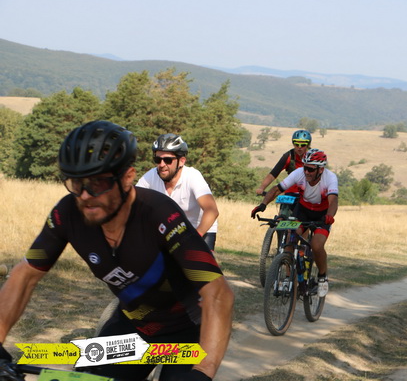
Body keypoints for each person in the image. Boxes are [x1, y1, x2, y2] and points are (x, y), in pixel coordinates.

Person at [0, 121, 233, 381]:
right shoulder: (68, 213)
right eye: (76, 183)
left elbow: (218, 293)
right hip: (134, 327)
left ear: (127, 177)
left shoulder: (159, 213)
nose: (85, 195)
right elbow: (25, 275)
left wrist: (204, 370)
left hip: (188, 332)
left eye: (98, 182)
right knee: (86, 378)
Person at [251, 148, 338, 297]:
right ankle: (288, 278)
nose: (306, 172)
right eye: (305, 167)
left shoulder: (329, 178)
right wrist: (263, 205)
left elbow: (333, 200)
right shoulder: (299, 173)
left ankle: (322, 277)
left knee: (317, 245)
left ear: (321, 169)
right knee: (290, 239)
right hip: (303, 211)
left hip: (322, 214)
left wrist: (329, 216)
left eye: (311, 169)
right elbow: (277, 189)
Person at [137, 133, 219, 251]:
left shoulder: (192, 176)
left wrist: (194, 238)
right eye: (158, 159)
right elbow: (132, 204)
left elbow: (212, 211)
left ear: (181, 161)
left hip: (199, 229)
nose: (162, 165)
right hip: (170, 230)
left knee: (196, 262)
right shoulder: (151, 176)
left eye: (168, 160)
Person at [255, 129, 312, 196]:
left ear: (308, 145)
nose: (299, 147)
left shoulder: (314, 156)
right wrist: (261, 188)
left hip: (310, 194)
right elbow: (273, 174)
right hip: (291, 193)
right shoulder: (288, 156)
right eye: (296, 144)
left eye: (303, 145)